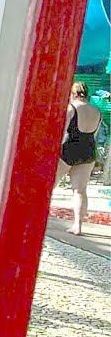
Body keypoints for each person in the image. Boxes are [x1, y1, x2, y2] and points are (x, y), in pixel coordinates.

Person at [56, 82, 102, 235]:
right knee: (80, 190)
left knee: (49, 186)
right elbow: (95, 135)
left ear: (73, 94)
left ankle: (36, 218)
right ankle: (78, 226)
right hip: (88, 151)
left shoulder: (71, 108)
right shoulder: (97, 111)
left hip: (69, 149)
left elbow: (62, 131)